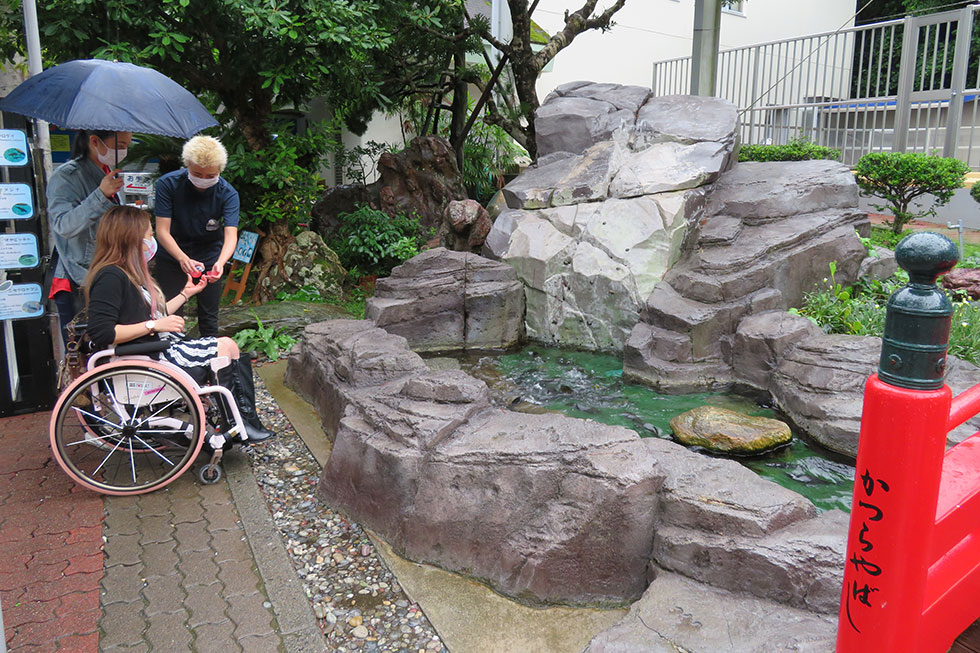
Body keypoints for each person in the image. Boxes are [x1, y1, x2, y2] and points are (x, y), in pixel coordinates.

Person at [84, 205, 274, 442]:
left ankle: (242, 422)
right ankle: (239, 424)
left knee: (228, 345)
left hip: (155, 348)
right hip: (150, 356)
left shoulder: (125, 273)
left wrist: (186, 293)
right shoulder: (111, 276)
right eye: (149, 235)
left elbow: (154, 315)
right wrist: (154, 327)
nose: (152, 240)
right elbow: (102, 332)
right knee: (224, 347)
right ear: (131, 239)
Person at [46, 129, 131, 343]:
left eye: (127, 146)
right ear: (95, 141)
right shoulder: (67, 175)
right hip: (78, 278)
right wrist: (100, 195)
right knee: (84, 351)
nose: (124, 151)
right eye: (120, 146)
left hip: (106, 272)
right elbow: (63, 225)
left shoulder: (106, 172)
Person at [154, 136, 239, 338]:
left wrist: (221, 262)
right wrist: (182, 258)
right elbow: (162, 231)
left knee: (209, 317)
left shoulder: (227, 193)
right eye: (197, 173)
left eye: (210, 175)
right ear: (187, 166)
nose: (203, 179)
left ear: (220, 170)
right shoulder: (168, 184)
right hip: (173, 255)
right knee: (172, 314)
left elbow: (231, 234)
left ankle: (210, 362)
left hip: (209, 256)